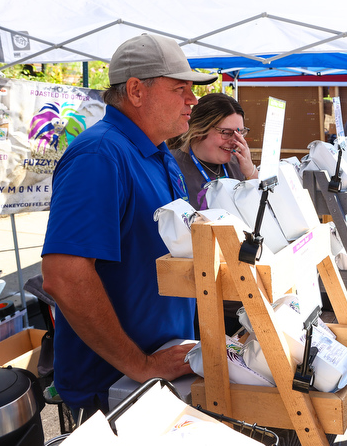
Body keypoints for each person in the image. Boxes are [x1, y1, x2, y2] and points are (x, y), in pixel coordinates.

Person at [40, 33, 217, 415]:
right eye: (180, 89)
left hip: (160, 373)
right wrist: (141, 364)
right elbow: (64, 276)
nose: (193, 100)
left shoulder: (159, 153)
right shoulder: (100, 154)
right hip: (115, 387)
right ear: (136, 91)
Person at [166, 93, 257, 210]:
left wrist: (251, 173)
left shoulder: (238, 164)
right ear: (198, 131)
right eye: (226, 132)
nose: (235, 141)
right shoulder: (170, 165)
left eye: (240, 133)